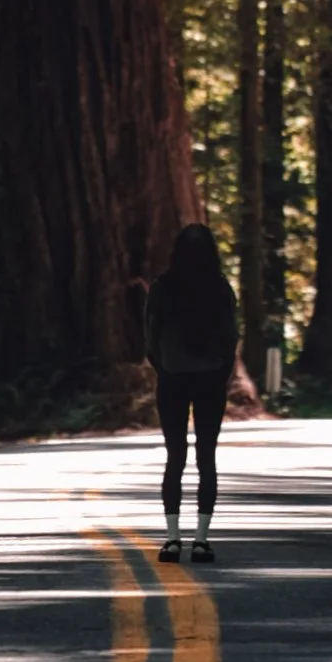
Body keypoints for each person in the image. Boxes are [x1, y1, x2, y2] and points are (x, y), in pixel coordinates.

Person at [145, 224, 238, 564]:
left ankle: (172, 540)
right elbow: (231, 336)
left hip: (172, 378)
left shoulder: (162, 288)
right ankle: (201, 541)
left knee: (175, 457)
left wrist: (166, 368)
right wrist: (221, 372)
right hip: (211, 379)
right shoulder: (220, 288)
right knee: (206, 458)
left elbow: (150, 338)